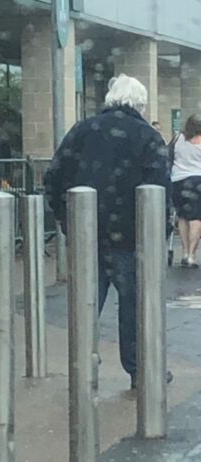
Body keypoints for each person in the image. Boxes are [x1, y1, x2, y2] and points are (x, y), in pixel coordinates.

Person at [44, 74, 172, 389]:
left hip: (87, 232)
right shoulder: (147, 137)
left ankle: (83, 367)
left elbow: (54, 176)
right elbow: (160, 190)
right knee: (134, 306)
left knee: (85, 303)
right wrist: (159, 232)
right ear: (140, 104)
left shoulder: (82, 131)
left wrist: (66, 219)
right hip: (130, 235)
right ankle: (139, 370)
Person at [170, 114, 201, 267]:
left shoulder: (178, 138)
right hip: (198, 180)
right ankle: (192, 254)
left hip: (178, 180)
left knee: (182, 216)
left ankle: (184, 252)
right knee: (196, 218)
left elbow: (169, 157)